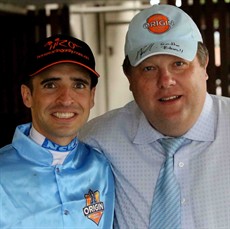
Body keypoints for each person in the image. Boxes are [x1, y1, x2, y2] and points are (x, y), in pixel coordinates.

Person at [79, 4, 230, 229]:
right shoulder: (95, 141)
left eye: (178, 64)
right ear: (129, 77)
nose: (166, 80)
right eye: (149, 68)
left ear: (204, 64)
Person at [0, 34, 114, 229]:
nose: (66, 99)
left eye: (78, 85)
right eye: (51, 85)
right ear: (27, 95)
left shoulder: (101, 167)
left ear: (91, 96)